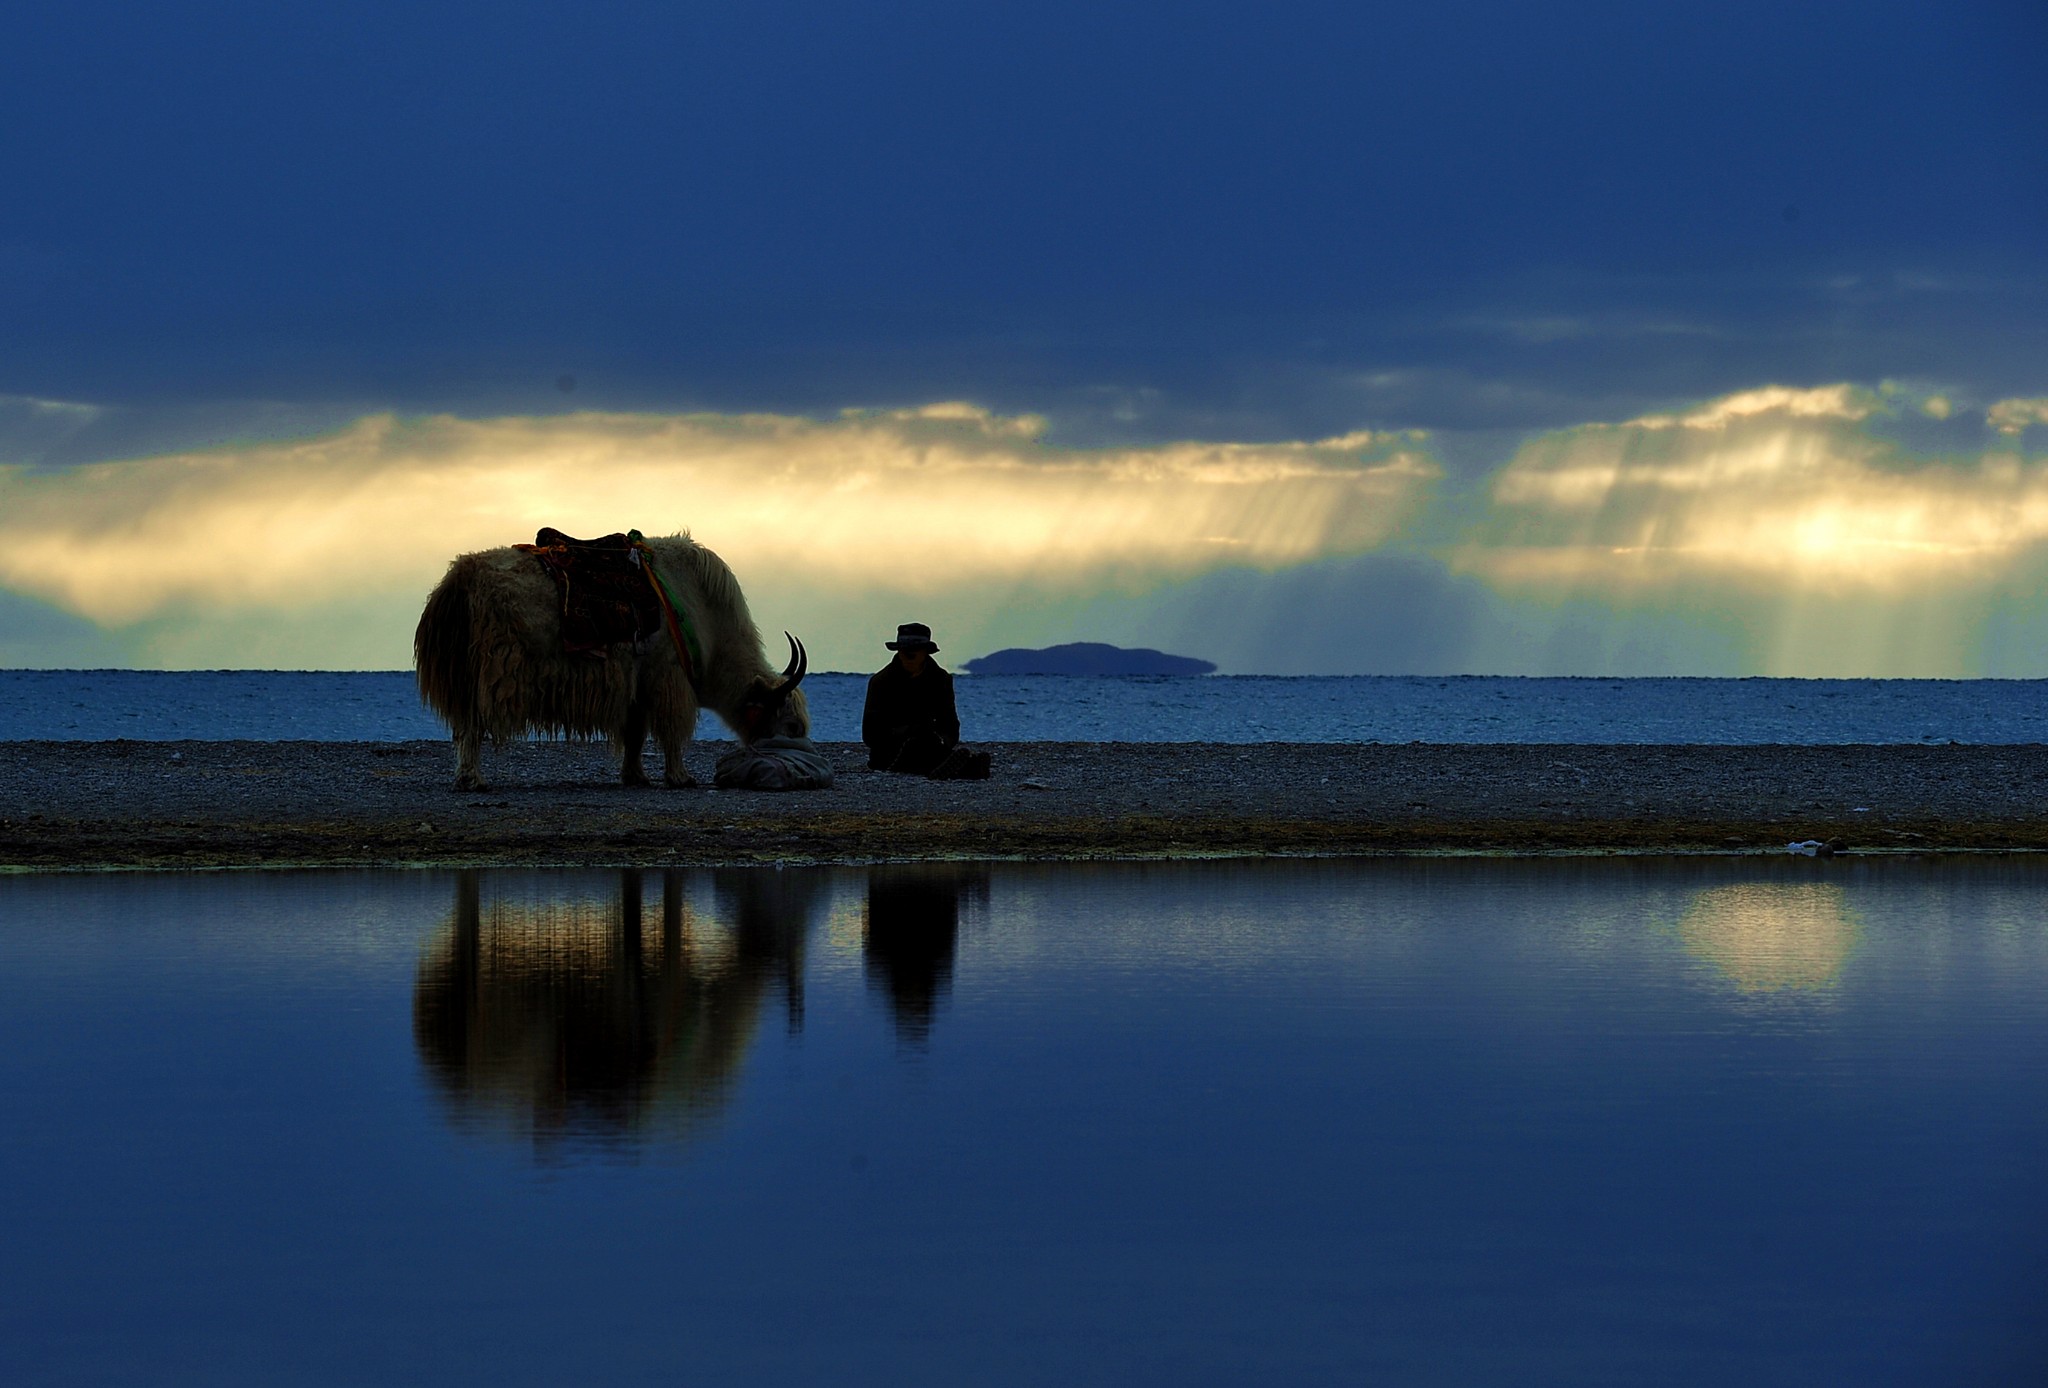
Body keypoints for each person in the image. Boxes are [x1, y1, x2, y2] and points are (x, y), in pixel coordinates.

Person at [862, 623, 992, 778]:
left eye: (913, 653)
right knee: (916, 752)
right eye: (904, 652)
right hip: (890, 749)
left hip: (930, 744)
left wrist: (943, 740)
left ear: (925, 653)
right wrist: (905, 733)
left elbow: (949, 721)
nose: (908, 658)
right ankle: (967, 768)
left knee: (930, 750)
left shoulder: (940, 679)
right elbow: (870, 733)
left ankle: (963, 767)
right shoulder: (880, 682)